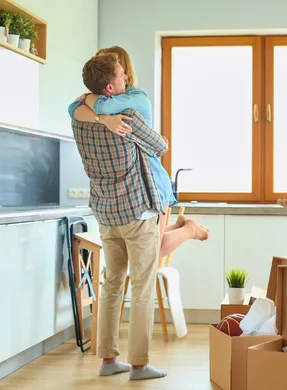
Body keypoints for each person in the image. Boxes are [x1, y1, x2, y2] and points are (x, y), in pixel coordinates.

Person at [70, 52, 169, 380]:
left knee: (111, 284)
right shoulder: (129, 115)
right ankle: (139, 364)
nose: (127, 79)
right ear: (111, 87)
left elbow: (76, 106)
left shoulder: (80, 118)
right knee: (142, 287)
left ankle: (108, 359)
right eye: (122, 76)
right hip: (138, 213)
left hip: (106, 213)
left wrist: (94, 109)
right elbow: (160, 145)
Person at [68, 46, 209, 258]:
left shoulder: (134, 98)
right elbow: (73, 109)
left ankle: (189, 229)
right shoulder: (106, 101)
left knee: (155, 249)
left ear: (119, 70)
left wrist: (89, 99)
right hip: (136, 184)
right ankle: (181, 225)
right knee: (144, 244)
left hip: (152, 182)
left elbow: (93, 106)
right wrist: (102, 118)